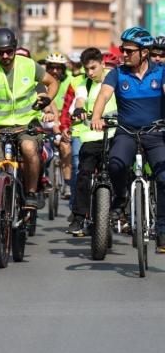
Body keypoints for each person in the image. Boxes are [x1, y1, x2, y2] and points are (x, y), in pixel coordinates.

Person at [90, 27, 165, 252]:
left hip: (155, 133)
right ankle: (121, 197)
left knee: (164, 177)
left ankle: (162, 230)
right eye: (123, 49)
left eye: (128, 50)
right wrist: (96, 117)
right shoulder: (118, 73)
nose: (123, 53)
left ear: (144, 52)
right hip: (127, 131)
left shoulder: (160, 72)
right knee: (115, 164)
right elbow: (104, 95)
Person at [0, 28, 59, 209]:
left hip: (27, 124)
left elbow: (53, 82)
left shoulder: (29, 65)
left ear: (14, 49)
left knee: (28, 147)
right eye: (0, 52)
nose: (5, 55)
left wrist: (48, 98)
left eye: (9, 51)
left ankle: (31, 192)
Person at [67, 47, 116, 236]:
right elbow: (80, 99)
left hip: (115, 135)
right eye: (86, 69)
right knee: (84, 173)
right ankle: (79, 216)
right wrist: (79, 109)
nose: (90, 73)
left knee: (121, 170)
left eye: (93, 68)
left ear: (103, 64)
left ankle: (123, 211)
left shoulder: (115, 78)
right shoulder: (85, 84)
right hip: (92, 137)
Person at [45, 52, 74, 201]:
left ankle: (68, 183)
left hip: (65, 123)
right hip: (45, 122)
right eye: (52, 67)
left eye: (58, 68)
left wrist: (63, 126)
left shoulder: (70, 82)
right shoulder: (41, 81)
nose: (55, 71)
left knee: (65, 147)